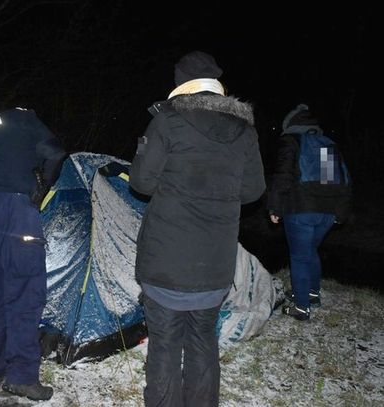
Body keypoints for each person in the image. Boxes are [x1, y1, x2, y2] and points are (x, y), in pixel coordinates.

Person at [129, 51, 266, 407]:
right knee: (203, 341)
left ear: (181, 84)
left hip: (165, 264)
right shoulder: (244, 130)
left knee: (165, 345)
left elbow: (142, 182)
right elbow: (253, 190)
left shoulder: (167, 121)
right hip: (214, 266)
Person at [0, 107, 66, 401]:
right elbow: (55, 153)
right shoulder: (24, 117)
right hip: (13, 205)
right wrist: (41, 189)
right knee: (25, 289)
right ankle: (21, 376)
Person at [267, 103, 352, 321]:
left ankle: (301, 307)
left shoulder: (291, 141)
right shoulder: (326, 145)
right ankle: (312, 294)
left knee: (299, 256)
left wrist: (275, 206)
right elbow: (335, 181)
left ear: (290, 124)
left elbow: (282, 176)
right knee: (310, 251)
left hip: (300, 208)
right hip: (327, 210)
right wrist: (340, 212)